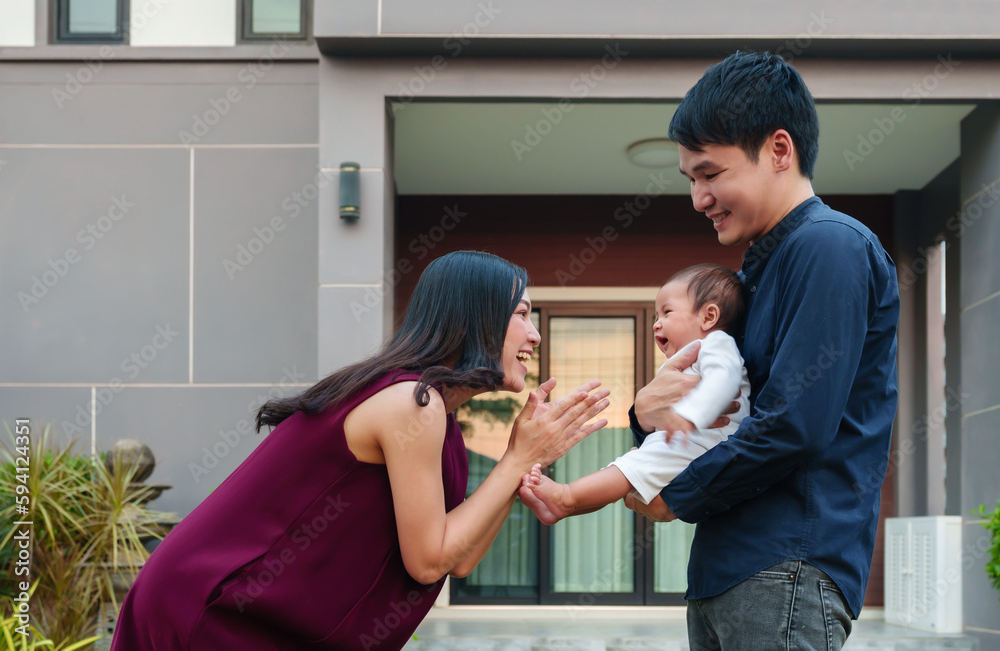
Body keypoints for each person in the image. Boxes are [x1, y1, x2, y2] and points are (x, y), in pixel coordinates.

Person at [110, 250, 609, 651]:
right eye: (521, 314)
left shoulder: (440, 420)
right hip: (213, 614)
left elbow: (459, 559)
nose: (535, 333)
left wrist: (519, 458)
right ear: (475, 316)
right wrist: (518, 458)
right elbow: (429, 561)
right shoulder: (411, 404)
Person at [623, 51, 899, 651]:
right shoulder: (752, 277)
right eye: (690, 180)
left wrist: (676, 496)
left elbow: (796, 424)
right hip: (733, 568)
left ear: (779, 150)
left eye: (711, 174)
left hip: (789, 565)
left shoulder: (830, 249)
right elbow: (706, 418)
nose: (698, 198)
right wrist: (642, 415)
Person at [518, 263, 750, 523]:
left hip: (706, 442)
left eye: (666, 313)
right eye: (655, 317)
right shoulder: (690, 353)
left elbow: (724, 379)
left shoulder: (717, 343)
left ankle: (566, 497)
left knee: (630, 469)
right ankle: (561, 509)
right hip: (688, 441)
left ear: (708, 317)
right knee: (626, 472)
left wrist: (692, 414)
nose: (656, 324)